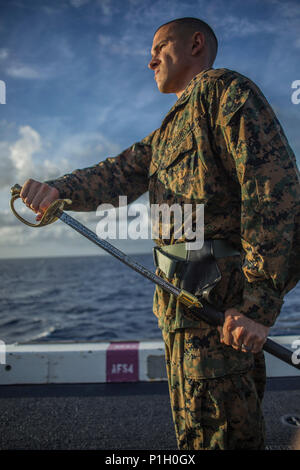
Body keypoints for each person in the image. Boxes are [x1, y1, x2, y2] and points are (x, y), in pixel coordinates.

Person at [19, 17, 300, 450]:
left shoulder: (224, 91)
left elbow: (274, 196)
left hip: (222, 314)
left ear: (196, 45)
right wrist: (60, 190)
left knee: (224, 437)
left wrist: (258, 306)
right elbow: (116, 173)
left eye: (161, 47)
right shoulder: (167, 132)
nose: (150, 60)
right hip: (181, 314)